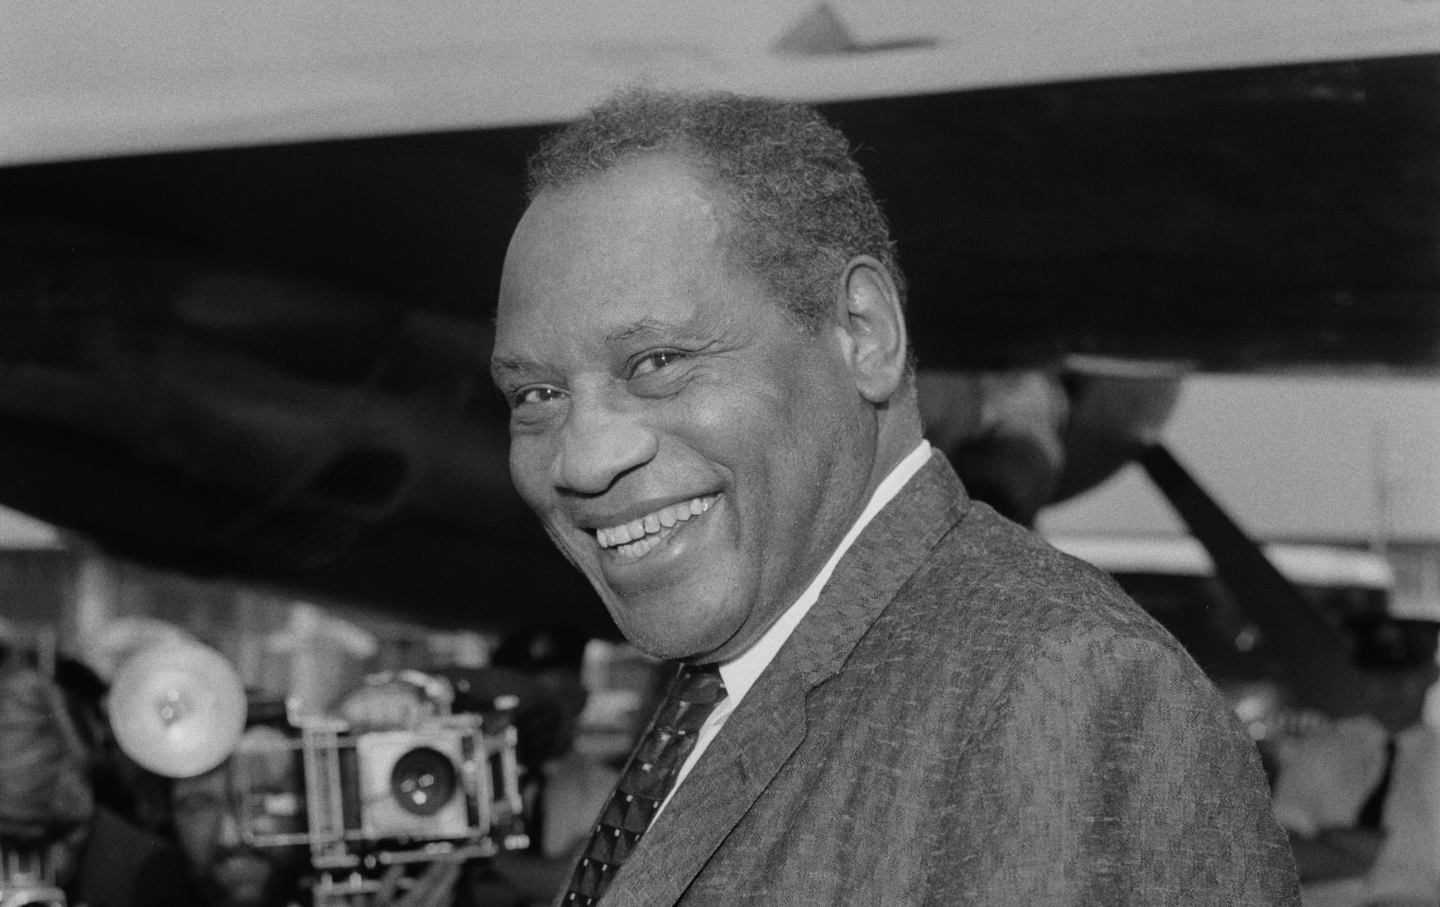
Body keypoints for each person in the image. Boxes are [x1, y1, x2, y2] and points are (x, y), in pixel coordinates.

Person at [489, 88, 1300, 904]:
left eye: (658, 362)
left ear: (863, 333)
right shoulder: (728, 688)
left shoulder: (1055, 686)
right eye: (536, 397)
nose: (584, 461)